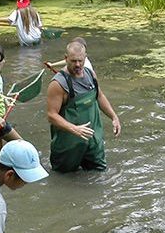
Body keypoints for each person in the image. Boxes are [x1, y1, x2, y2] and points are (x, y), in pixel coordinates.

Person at [46, 41, 121, 172]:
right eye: (73, 61)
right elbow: (51, 115)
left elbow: (99, 96)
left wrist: (114, 117)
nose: (78, 65)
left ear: (85, 58)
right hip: (68, 146)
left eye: (80, 60)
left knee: (99, 175)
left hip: (93, 141)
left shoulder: (90, 74)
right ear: (65, 58)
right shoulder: (58, 84)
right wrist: (74, 129)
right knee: (63, 180)